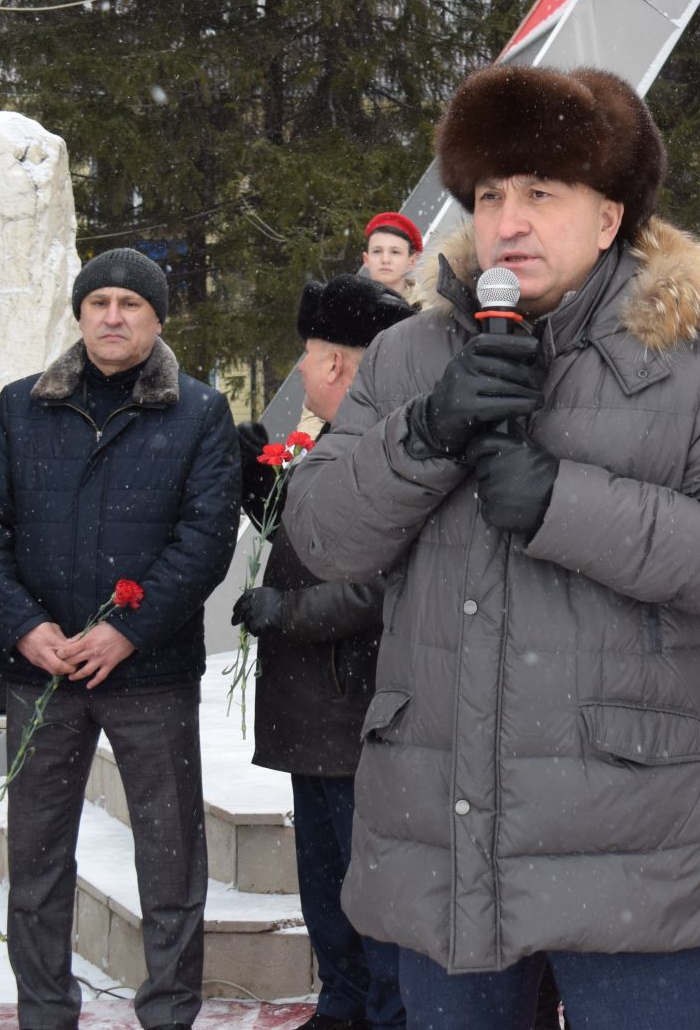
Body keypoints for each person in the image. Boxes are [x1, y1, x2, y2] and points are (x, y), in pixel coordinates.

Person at [283, 63, 700, 1030]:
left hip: (632, 857)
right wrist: (425, 434)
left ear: (609, 218)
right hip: (450, 845)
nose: (507, 221)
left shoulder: (697, 361)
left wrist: (562, 502)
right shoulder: (409, 358)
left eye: (539, 194)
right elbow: (320, 534)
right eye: (488, 196)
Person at [0, 247, 237, 1030]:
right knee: (36, 864)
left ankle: (167, 1013)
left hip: (149, 676)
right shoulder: (21, 407)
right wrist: (26, 627)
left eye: (131, 304)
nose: (114, 317)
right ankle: (46, 1014)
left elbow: (205, 541)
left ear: (158, 318)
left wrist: (126, 630)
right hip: (42, 676)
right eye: (99, 303)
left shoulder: (198, 412)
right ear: (80, 314)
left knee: (171, 862)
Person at [233, 274, 413, 1030]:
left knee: (363, 885)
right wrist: (265, 492)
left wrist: (287, 612)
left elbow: (382, 583)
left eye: (307, 356)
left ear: (337, 364)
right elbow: (328, 545)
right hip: (319, 714)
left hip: (356, 714)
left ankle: (378, 1011)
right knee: (326, 883)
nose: (302, 371)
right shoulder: (343, 444)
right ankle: (343, 1003)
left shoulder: (384, 449)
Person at [362, 211, 423, 296]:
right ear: (366, 259)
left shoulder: (432, 308)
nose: (385, 259)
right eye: (377, 251)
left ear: (412, 261)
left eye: (395, 252)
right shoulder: (344, 307)